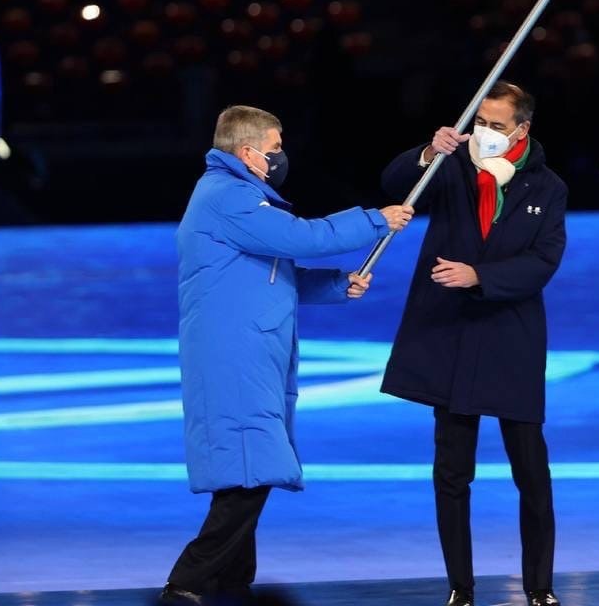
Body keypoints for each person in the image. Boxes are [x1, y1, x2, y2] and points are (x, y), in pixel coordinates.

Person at [162, 105, 414, 604]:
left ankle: (232, 581)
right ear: (247, 152)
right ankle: (187, 581)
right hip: (234, 353)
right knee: (252, 468)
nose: (281, 156)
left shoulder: (240, 198)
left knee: (247, 468)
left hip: (248, 349)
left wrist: (337, 285)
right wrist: (375, 220)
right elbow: (301, 237)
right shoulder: (228, 196)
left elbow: (274, 273)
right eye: (274, 147)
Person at [379, 81, 568, 606]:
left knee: (531, 471)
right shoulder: (452, 165)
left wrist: (480, 276)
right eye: (480, 122)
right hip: (453, 335)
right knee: (452, 471)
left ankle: (540, 587)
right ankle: (460, 587)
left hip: (511, 337)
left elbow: (543, 261)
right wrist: (427, 152)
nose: (485, 133)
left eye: (497, 125)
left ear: (522, 129)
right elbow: (394, 183)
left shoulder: (548, 187)